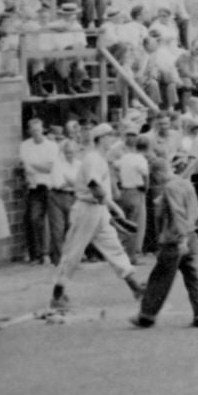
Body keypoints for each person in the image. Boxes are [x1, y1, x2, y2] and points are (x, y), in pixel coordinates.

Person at [49, 124, 146, 315]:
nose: (112, 139)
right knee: (73, 253)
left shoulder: (100, 158)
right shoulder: (92, 158)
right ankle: (57, 296)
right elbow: (94, 186)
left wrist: (112, 209)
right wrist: (114, 209)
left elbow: (102, 192)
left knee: (114, 247)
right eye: (109, 136)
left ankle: (136, 288)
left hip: (98, 209)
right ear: (101, 138)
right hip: (85, 208)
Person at [131, 151, 198, 328]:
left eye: (154, 177)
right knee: (194, 276)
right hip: (192, 234)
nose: (155, 181)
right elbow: (195, 212)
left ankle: (147, 315)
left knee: (160, 278)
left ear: (158, 173)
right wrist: (189, 234)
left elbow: (177, 214)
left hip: (175, 238)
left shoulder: (170, 188)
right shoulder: (185, 184)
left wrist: (181, 239)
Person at [18, 119, 64, 264]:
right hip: (34, 187)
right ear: (29, 131)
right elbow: (25, 167)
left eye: (38, 130)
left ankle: (53, 255)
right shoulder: (25, 145)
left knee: (53, 222)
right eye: (33, 131)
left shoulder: (51, 146)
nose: (36, 133)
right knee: (34, 219)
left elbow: (49, 168)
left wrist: (32, 165)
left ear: (42, 129)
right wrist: (37, 166)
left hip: (50, 187)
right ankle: (38, 255)